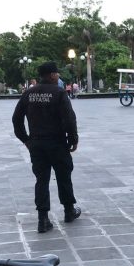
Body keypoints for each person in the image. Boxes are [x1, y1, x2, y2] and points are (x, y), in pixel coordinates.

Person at [12, 61, 81, 233]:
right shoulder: (59, 93)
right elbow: (69, 118)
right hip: (57, 143)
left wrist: (26, 140)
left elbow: (16, 118)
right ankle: (69, 211)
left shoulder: (29, 93)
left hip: (37, 144)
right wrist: (73, 139)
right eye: (57, 73)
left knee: (41, 180)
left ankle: (42, 219)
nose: (58, 76)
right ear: (52, 75)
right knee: (63, 176)